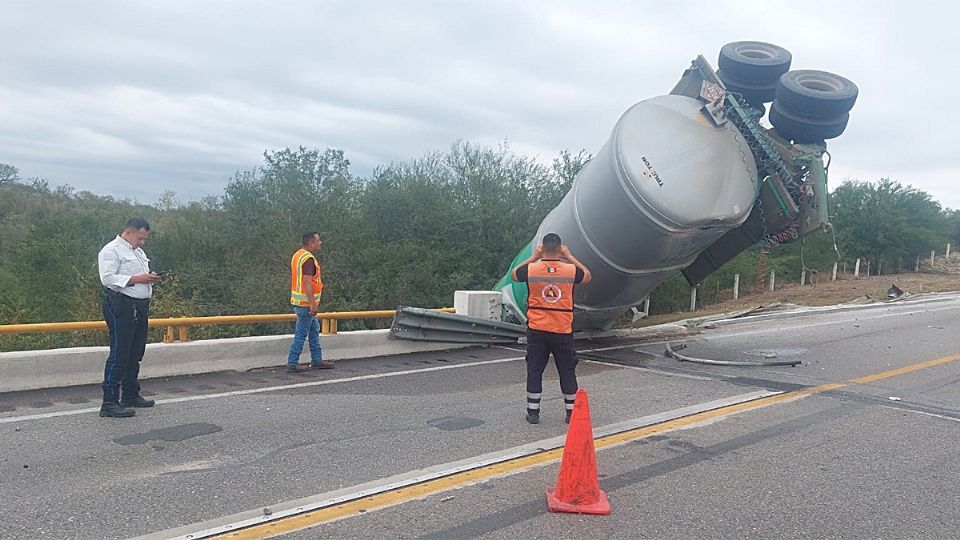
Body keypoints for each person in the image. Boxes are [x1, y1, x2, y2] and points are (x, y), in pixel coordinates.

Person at [511, 232, 592, 425]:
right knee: (566, 369)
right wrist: (569, 256)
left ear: (543, 248)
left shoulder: (532, 269)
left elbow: (514, 275)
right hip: (562, 329)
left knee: (535, 369)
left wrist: (534, 257)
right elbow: (587, 276)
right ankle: (571, 413)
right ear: (560, 248)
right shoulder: (570, 270)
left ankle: (533, 412)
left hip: (537, 328)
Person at [97, 218, 162, 418]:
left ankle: (130, 395)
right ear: (128, 232)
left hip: (140, 306)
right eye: (140, 238)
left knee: (135, 352)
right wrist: (139, 279)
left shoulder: (138, 252)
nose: (142, 242)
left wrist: (150, 277)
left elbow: (139, 276)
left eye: (144, 239)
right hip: (121, 306)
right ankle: (109, 402)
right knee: (120, 353)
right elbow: (107, 278)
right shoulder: (111, 250)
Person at [287, 232, 334, 372]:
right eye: (318, 240)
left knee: (314, 330)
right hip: (306, 304)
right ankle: (292, 362)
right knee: (301, 333)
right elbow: (307, 282)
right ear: (311, 243)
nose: (321, 243)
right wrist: (313, 304)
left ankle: (317, 360)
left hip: (301, 302)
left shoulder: (298, 255)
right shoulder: (308, 259)